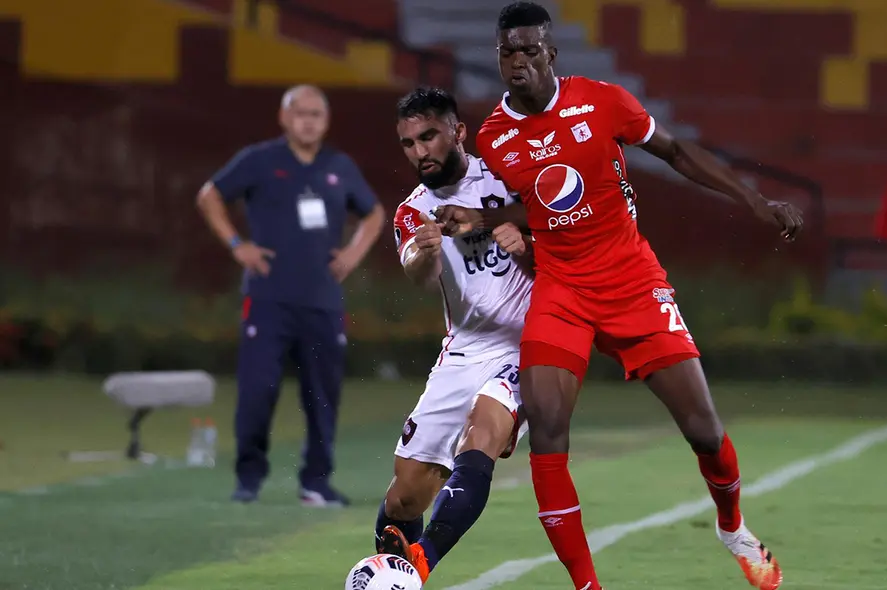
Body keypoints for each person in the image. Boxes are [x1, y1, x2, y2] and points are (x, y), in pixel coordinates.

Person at [432, 3, 805, 589]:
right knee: (549, 437)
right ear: (498, 60)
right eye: (509, 52)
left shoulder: (603, 101)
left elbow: (677, 153)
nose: (519, 61)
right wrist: (481, 217)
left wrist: (756, 202)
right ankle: (588, 586)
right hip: (561, 290)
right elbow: (526, 208)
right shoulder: (495, 137)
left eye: (530, 49)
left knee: (704, 431)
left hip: (632, 281)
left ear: (551, 54)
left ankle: (732, 526)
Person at [196, 84, 385, 507]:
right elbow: (209, 195)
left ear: (326, 121)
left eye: (316, 114)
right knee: (257, 392)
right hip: (268, 298)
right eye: (300, 112)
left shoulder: (339, 166)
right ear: (284, 118)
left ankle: (315, 483)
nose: (308, 120)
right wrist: (236, 245)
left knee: (323, 396)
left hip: (322, 300)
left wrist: (353, 253)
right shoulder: (260, 160)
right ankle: (249, 478)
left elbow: (374, 212)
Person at [374, 87, 534, 584]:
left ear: (457, 132)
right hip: (462, 350)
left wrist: (525, 241)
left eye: (428, 136)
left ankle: (420, 567)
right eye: (408, 143)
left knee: (479, 437)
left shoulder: (507, 180)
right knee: (404, 496)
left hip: (528, 343)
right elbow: (418, 275)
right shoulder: (413, 211)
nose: (419, 152)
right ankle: (392, 571)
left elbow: (561, 227)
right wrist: (426, 252)